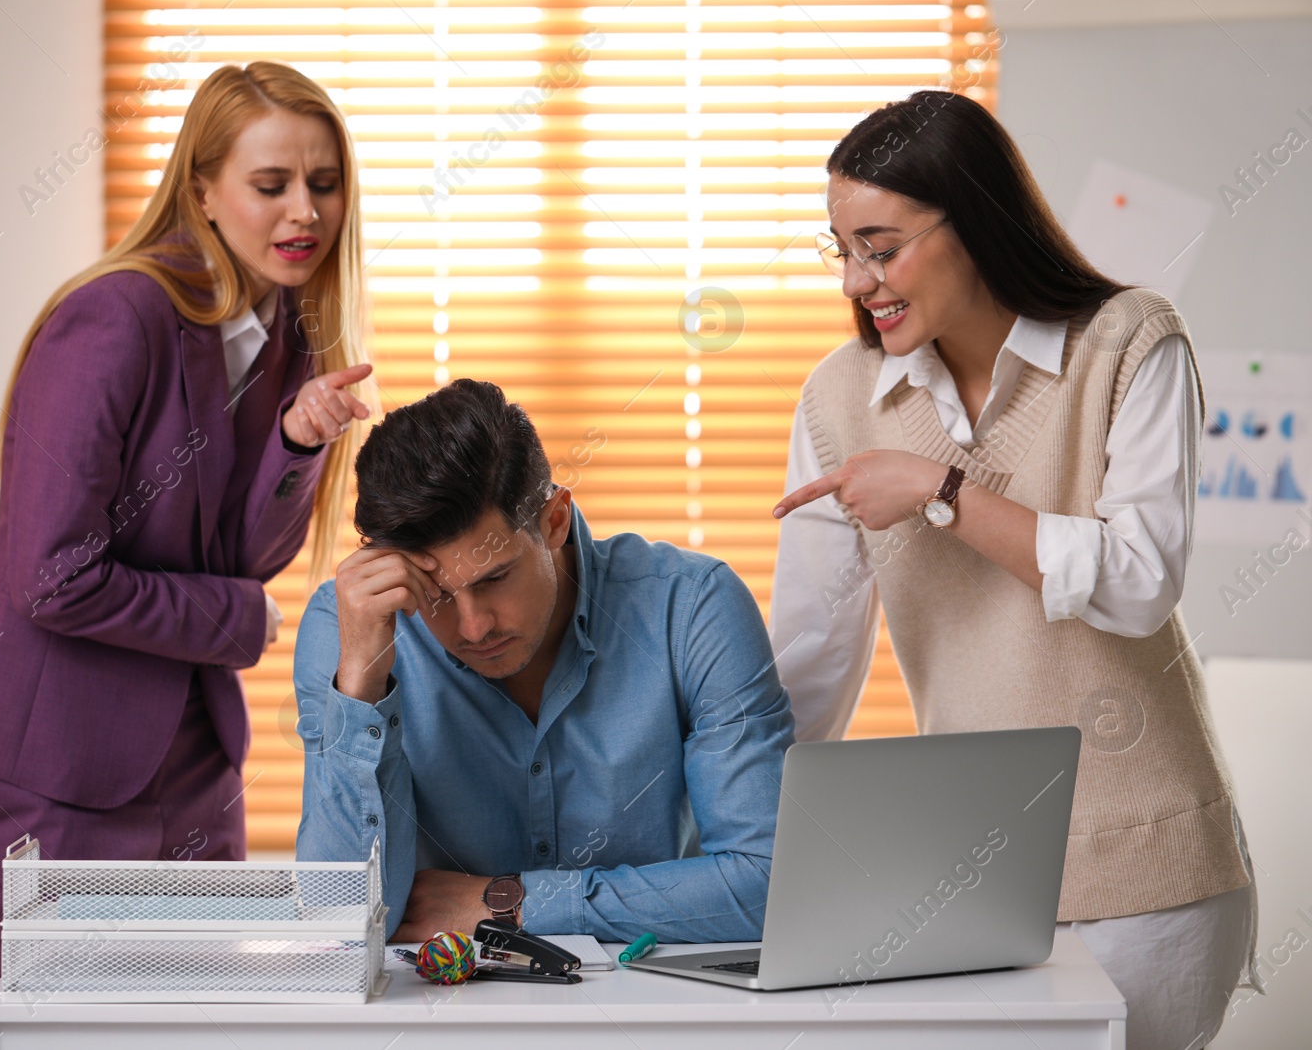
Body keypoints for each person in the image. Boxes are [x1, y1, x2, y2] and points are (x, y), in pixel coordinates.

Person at [768, 89, 1257, 1050]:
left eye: (883, 244)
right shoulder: (838, 398)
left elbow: (1137, 578)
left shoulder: (1129, 343)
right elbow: (811, 664)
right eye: (843, 250)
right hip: (973, 882)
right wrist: (721, 848)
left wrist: (939, 487)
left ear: (977, 220)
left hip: (1155, 880)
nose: (858, 281)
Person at [0, 62, 376, 985]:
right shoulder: (113, 318)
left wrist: (296, 444)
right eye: (272, 186)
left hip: (195, 767)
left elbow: (243, 555)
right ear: (203, 191)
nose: (306, 211)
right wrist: (239, 622)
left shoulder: (293, 333)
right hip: (61, 769)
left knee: (199, 1030)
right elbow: (53, 575)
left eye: (324, 184)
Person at [294, 378, 795, 942]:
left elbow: (771, 884)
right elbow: (337, 924)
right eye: (435, 594)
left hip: (654, 1013)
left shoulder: (692, 607)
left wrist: (510, 905)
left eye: (495, 578)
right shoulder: (351, 627)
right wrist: (360, 688)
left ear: (554, 521)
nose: (474, 626)